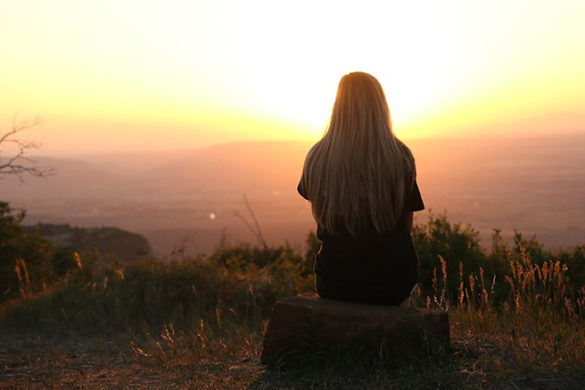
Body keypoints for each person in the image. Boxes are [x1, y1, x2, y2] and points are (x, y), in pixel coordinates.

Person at [297, 71, 424, 306]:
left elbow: (322, 216)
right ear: (380, 107)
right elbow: (406, 228)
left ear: (338, 106)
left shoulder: (317, 158)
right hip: (391, 283)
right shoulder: (400, 157)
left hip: (335, 282)